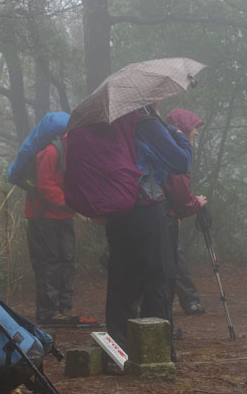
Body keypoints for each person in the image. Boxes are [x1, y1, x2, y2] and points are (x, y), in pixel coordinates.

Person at [105, 104, 192, 362]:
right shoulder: (147, 124)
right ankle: (159, 352)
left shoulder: (111, 126)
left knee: (121, 281)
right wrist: (178, 135)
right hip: (146, 207)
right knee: (158, 277)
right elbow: (181, 162)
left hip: (116, 209)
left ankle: (118, 354)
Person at [25, 134, 76, 324]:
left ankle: (64, 307)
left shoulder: (74, 152)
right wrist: (70, 203)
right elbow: (45, 185)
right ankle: (48, 312)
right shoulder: (52, 151)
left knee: (67, 260)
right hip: (43, 217)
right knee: (49, 263)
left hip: (64, 216)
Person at [164, 108, 207, 316]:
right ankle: (166, 312)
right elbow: (179, 190)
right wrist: (195, 204)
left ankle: (187, 302)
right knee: (169, 263)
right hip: (163, 218)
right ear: (182, 130)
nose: (196, 135)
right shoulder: (174, 153)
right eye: (193, 131)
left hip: (165, 216)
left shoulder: (165, 147)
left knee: (173, 260)